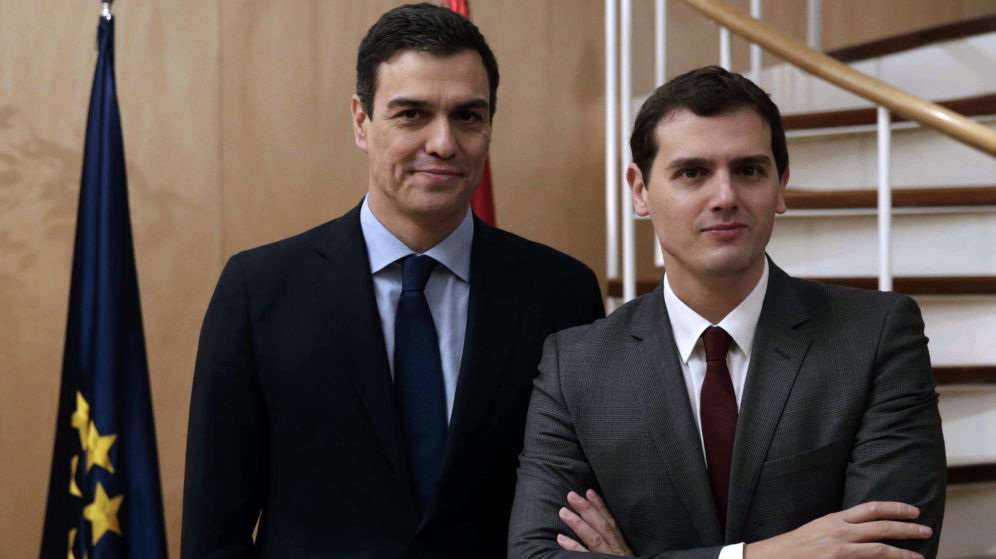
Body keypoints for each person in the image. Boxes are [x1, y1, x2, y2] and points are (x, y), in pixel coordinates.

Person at [180, 4, 604, 558]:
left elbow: (583, 502)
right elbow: (216, 526)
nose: (444, 143)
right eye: (412, 114)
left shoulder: (561, 292)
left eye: (469, 116)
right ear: (361, 120)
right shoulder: (259, 291)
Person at [508, 66, 945, 559]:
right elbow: (535, 554)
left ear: (781, 185)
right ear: (640, 190)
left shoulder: (876, 337)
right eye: (692, 172)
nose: (725, 197)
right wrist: (763, 555)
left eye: (749, 170)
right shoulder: (575, 364)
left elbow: (891, 549)